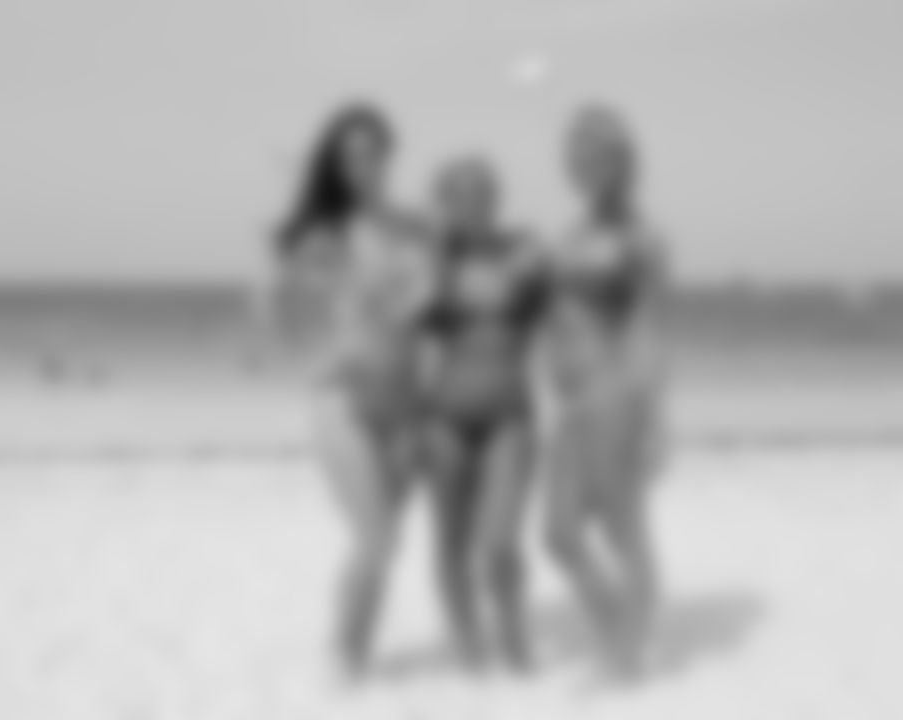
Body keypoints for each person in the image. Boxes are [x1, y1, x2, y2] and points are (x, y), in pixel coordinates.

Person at [270, 101, 437, 682]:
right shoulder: (322, 234)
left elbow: (431, 321)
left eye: (373, 151)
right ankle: (344, 661)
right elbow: (287, 318)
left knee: (387, 543)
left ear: (389, 155)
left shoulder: (416, 228)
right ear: (336, 164)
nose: (363, 163)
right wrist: (332, 360)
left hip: (406, 400)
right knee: (375, 536)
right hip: (342, 400)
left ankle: (355, 651)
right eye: (350, 155)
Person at [539, 103, 671, 681]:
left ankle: (624, 656)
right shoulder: (571, 231)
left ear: (623, 163)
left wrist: (654, 418)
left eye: (600, 157)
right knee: (560, 533)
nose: (588, 167)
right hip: (572, 398)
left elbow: (651, 328)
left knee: (621, 527)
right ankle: (623, 640)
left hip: (616, 391)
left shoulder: (641, 237)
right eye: (579, 157)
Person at [413, 156, 550, 675]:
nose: (476, 202)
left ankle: (513, 637)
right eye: (462, 193)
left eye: (485, 191)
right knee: (450, 543)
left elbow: (569, 319)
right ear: (446, 202)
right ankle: (467, 643)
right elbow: (402, 339)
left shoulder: (525, 252)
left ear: (497, 198)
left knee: (499, 543)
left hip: (509, 414)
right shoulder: (430, 262)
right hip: (442, 417)